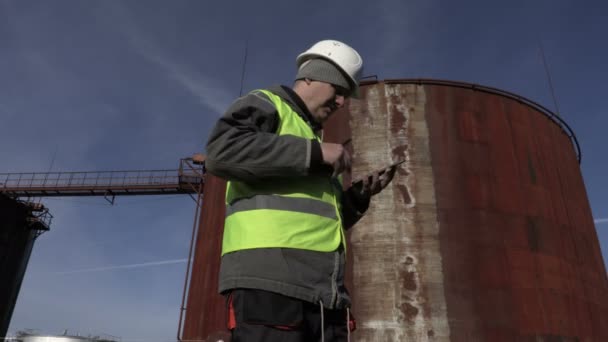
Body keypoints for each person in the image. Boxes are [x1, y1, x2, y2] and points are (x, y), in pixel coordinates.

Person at [205, 39, 397, 342]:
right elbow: (221, 152)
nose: (342, 103)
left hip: (325, 295)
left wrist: (358, 199)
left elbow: (315, 220)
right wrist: (315, 154)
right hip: (271, 288)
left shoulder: (311, 139)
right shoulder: (269, 104)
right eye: (339, 91)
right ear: (310, 77)